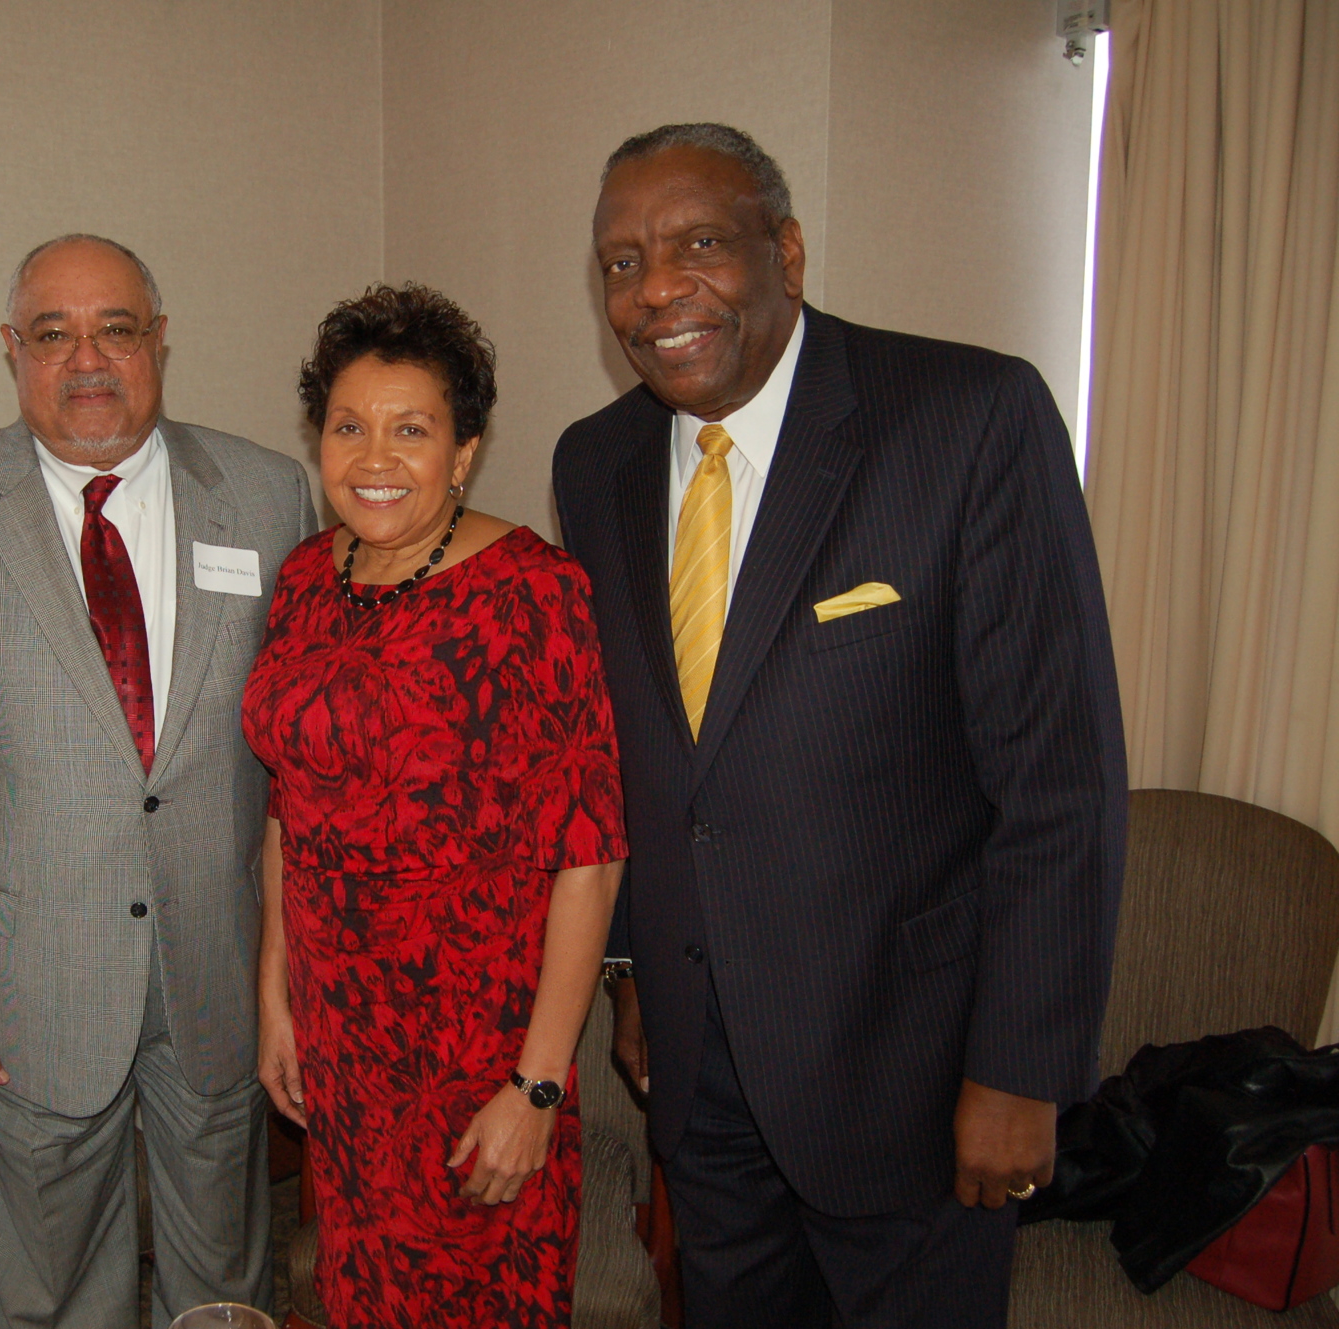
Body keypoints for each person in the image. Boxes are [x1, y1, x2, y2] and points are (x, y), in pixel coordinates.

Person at [553, 124, 1128, 1327]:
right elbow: (635, 768)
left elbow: (1056, 783)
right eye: (619, 262)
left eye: (697, 244)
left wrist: (1021, 1073)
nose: (655, 289)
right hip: (701, 1076)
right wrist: (629, 976)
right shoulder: (593, 464)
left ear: (789, 254)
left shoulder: (965, 418)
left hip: (906, 1083)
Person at [0, 234, 317, 1328]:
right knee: (56, 1294)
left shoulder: (264, 492)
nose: (87, 358)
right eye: (52, 334)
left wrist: (295, 971)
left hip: (220, 970)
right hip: (30, 990)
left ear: (159, 342)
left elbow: (302, 755)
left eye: (116, 328)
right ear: (11, 352)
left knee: (225, 1283)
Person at [245, 284, 628, 1328]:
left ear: (463, 452)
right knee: (360, 1298)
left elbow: (588, 854)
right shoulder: (302, 582)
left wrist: (536, 1088)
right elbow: (288, 812)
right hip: (343, 1050)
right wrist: (275, 996)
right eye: (348, 427)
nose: (374, 458)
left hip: (475, 1056)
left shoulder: (532, 593)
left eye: (410, 430)